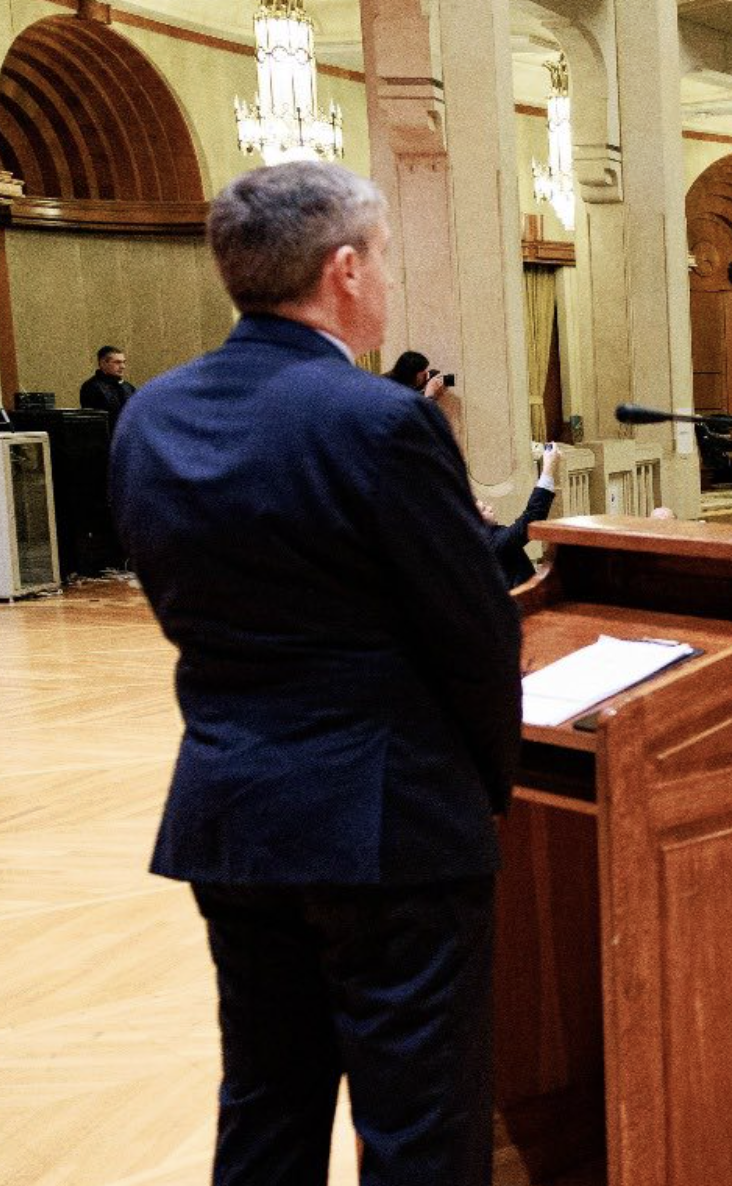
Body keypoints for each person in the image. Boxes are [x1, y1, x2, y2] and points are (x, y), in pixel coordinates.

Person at [110, 161, 521, 1186]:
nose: (386, 280)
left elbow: (175, 605)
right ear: (344, 269)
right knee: (418, 1128)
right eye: (382, 258)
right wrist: (489, 788)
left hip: (231, 812)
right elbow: (475, 636)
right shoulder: (380, 421)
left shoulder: (151, 416)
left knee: (265, 1102)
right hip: (390, 830)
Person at [480, 443, 562, 587]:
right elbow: (531, 518)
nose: (490, 507)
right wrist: (548, 469)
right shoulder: (494, 542)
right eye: (484, 509)